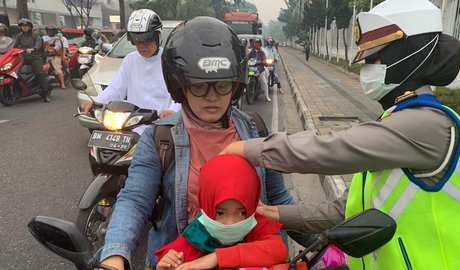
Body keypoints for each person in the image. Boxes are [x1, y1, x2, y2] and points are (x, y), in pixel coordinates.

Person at [221, 0, 460, 269]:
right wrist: (270, 213)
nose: (365, 70)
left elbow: (330, 150)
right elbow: (344, 212)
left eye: (373, 59)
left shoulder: (426, 125)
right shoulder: (396, 123)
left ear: (406, 54)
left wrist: (245, 149)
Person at [98, 16, 311, 270]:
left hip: (255, 261)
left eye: (221, 86)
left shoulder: (256, 131)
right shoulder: (160, 138)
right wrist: (113, 255)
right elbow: (135, 200)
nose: (212, 98)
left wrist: (328, 242)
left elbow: (278, 200)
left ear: (235, 85)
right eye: (199, 87)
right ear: (180, 86)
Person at [155, 154, 287, 270]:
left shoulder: (257, 226)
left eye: (242, 213)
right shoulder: (193, 238)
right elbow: (170, 262)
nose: (231, 223)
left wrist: (218, 257)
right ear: (206, 206)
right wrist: (167, 266)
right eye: (220, 213)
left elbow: (278, 250)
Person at [82, 9, 180, 134]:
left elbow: (180, 95)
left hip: (162, 126)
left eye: (146, 40)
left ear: (157, 36)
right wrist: (97, 101)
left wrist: (172, 110)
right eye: (136, 41)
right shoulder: (130, 59)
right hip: (132, 125)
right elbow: (116, 88)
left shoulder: (170, 61)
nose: (141, 46)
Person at [14, 18, 50, 103]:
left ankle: (46, 93)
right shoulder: (19, 35)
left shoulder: (35, 35)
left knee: (39, 73)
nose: (24, 27)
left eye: (26, 26)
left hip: (35, 57)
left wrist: (33, 49)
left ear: (30, 27)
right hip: (23, 58)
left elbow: (38, 45)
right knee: (14, 73)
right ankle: (16, 91)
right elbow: (14, 45)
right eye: (22, 26)